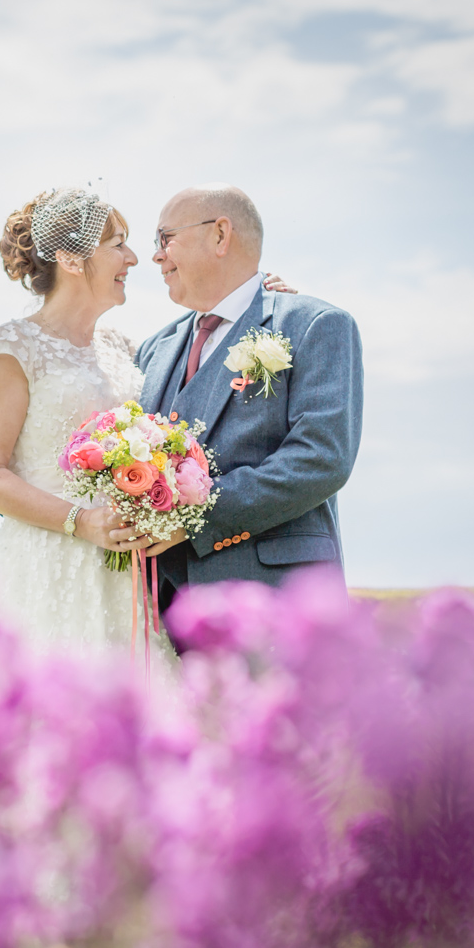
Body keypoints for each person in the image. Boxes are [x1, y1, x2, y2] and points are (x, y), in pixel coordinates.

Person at [0, 187, 172, 671]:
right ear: (72, 259)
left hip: (120, 572)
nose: (133, 258)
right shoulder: (13, 347)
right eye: (118, 243)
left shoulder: (122, 348)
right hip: (42, 566)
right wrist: (83, 522)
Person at [132, 184, 362, 632]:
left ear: (220, 235)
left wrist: (194, 521)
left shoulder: (314, 325)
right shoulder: (153, 348)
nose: (155, 257)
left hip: (276, 605)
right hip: (156, 616)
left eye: (165, 238)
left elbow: (320, 459)